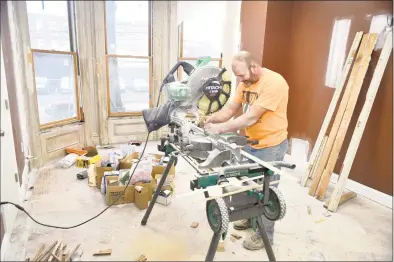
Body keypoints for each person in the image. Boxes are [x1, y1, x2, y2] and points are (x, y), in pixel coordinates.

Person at [204, 50, 289, 251]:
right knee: (248, 185)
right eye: (237, 77)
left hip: (271, 145)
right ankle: (251, 219)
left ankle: (264, 235)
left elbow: (250, 117)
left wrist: (220, 129)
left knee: (267, 192)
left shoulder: (274, 83)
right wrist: (213, 118)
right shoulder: (245, 82)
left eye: (242, 75)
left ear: (254, 66)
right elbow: (231, 109)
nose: (240, 80)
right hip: (251, 142)